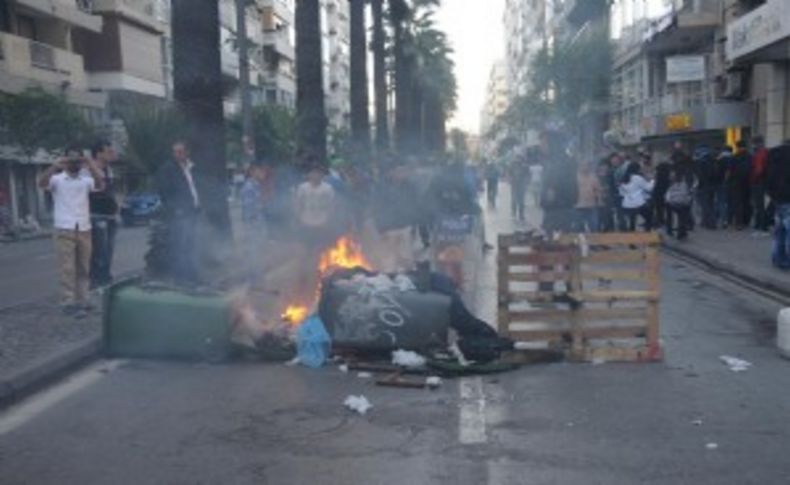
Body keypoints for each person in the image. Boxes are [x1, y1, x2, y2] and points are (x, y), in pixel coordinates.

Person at [38, 145, 105, 315]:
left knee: (84, 266)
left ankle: (83, 299)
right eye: (71, 158)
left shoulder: (85, 179)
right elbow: (41, 183)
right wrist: (55, 165)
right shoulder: (58, 179)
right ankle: (67, 301)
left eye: (77, 158)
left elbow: (100, 183)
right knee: (67, 267)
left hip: (83, 227)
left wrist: (90, 163)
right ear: (65, 160)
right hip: (64, 227)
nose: (73, 162)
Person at [154, 140, 203, 284]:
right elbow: (164, 192)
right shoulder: (168, 169)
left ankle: (191, 276)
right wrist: (176, 209)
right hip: (180, 214)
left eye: (181, 151)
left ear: (187, 152)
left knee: (190, 245)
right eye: (175, 152)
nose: (178, 155)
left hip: (193, 212)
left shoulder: (190, 167)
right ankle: (181, 278)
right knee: (180, 246)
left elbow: (194, 187)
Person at [88, 140, 119, 289]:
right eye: (108, 151)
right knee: (100, 251)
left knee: (109, 250)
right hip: (96, 214)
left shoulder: (109, 169)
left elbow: (110, 191)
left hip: (111, 215)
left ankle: (105, 278)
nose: (111, 153)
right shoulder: (89, 170)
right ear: (98, 153)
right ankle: (96, 280)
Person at [766, 140, 790, 269]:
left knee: (779, 230)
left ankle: (778, 259)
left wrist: (772, 194)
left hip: (777, 199)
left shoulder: (773, 155)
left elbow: (767, 177)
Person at [619, 163, 654, 232]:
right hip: (638, 203)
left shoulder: (624, 178)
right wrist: (653, 180)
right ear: (637, 169)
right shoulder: (637, 178)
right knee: (649, 217)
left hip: (627, 204)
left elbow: (621, 193)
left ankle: (632, 240)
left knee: (632, 222)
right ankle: (648, 235)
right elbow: (648, 188)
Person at [665, 166, 694, 241]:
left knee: (671, 213)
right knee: (683, 215)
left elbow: (667, 195)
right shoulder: (685, 185)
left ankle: (669, 230)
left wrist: (669, 201)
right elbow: (688, 194)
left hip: (672, 204)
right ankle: (681, 233)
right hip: (682, 204)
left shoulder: (670, 184)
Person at [693, 144, 717, 230]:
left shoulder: (701, 161)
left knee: (705, 205)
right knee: (711, 204)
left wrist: (698, 185)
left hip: (704, 186)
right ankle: (706, 222)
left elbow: (700, 176)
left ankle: (710, 223)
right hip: (712, 185)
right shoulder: (713, 159)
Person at [575, 160, 602, 232]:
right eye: (582, 165)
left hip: (591, 206)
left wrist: (599, 201)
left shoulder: (593, 177)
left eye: (586, 165)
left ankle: (594, 243)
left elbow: (598, 190)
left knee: (594, 227)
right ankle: (581, 243)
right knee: (578, 228)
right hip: (578, 206)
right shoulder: (575, 177)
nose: (584, 167)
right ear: (579, 167)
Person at [750, 136, 770, 233]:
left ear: (758, 143)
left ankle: (762, 227)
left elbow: (758, 170)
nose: (753, 145)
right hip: (766, 181)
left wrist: (753, 180)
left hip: (759, 182)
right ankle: (763, 225)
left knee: (759, 205)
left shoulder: (760, 153)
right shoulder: (766, 152)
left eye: (754, 143)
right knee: (761, 205)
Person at [509, 155, 530, 221]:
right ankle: (514, 212)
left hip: (521, 185)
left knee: (521, 200)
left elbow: (528, 175)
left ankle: (521, 214)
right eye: (517, 159)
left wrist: (526, 182)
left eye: (519, 159)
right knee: (514, 199)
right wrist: (510, 179)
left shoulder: (525, 167)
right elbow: (509, 174)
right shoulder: (512, 166)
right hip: (514, 185)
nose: (518, 161)